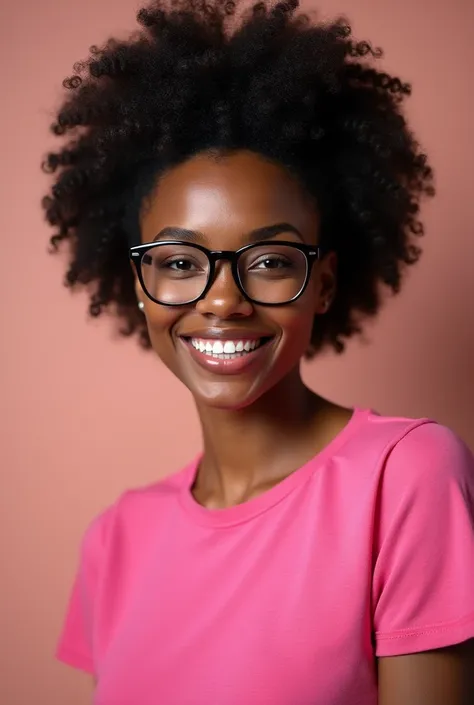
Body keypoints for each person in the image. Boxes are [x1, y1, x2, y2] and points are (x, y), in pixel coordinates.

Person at [42, 1, 474, 703]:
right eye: (180, 262)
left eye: (270, 260)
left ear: (323, 284)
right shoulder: (115, 540)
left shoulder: (406, 478)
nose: (222, 300)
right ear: (141, 285)